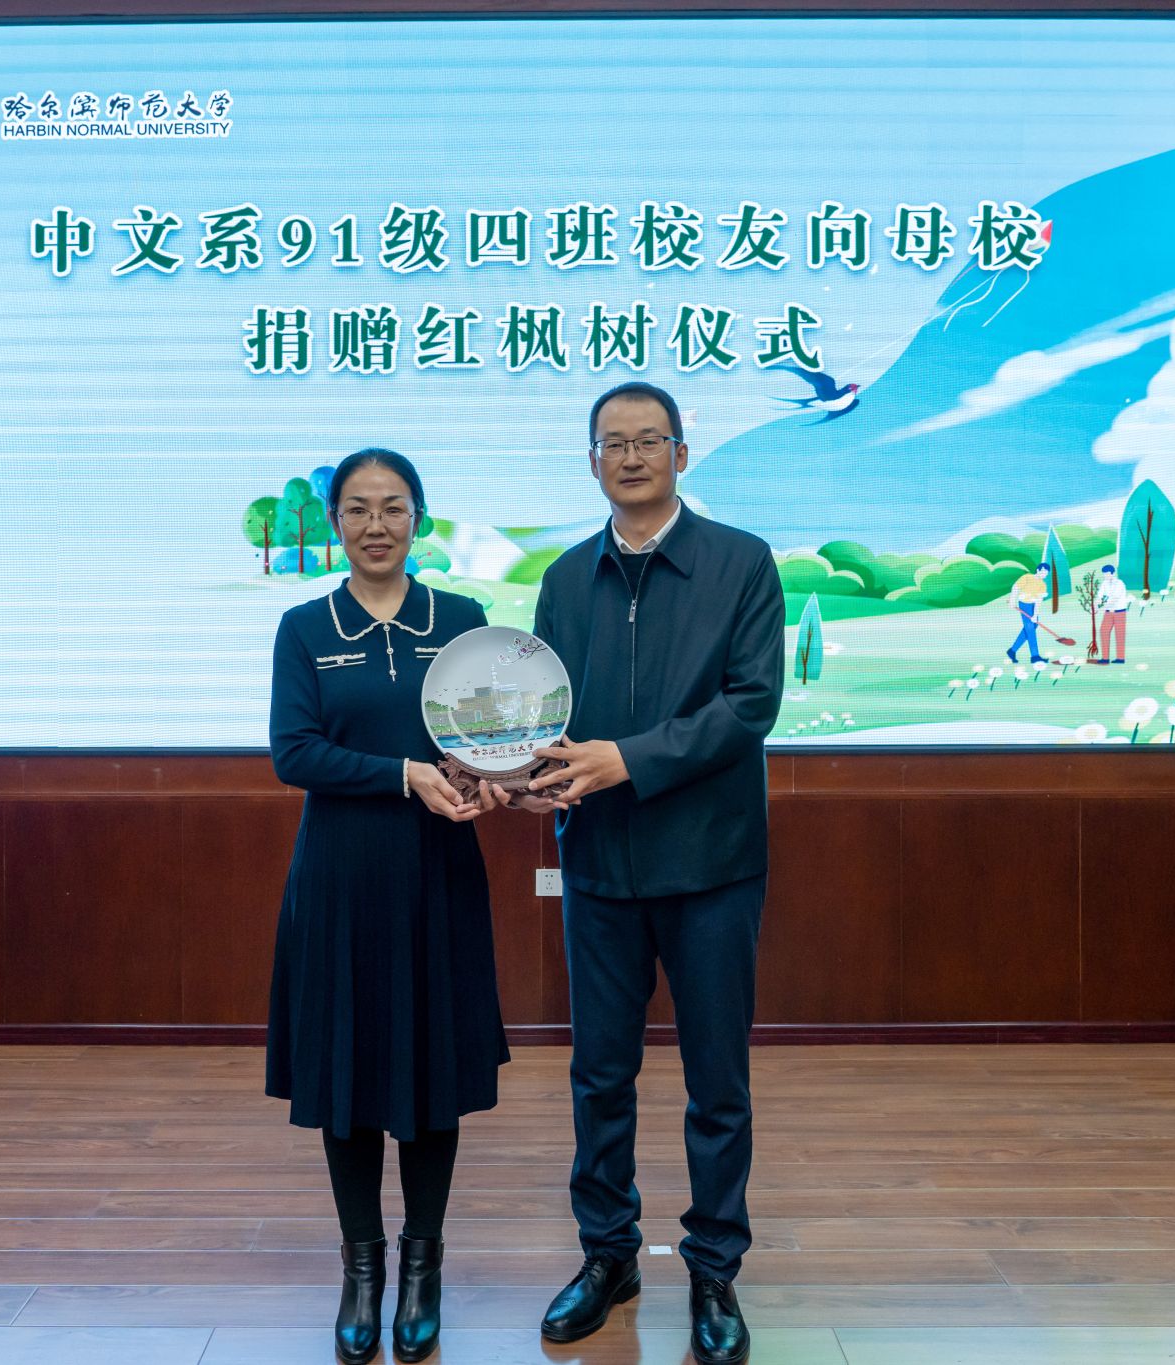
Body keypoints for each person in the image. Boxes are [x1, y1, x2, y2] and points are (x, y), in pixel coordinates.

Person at [496, 381, 783, 1365]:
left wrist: (626, 759)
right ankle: (608, 1255)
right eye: (611, 443)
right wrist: (530, 779)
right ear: (591, 462)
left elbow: (750, 705)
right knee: (598, 1075)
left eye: (648, 440)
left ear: (681, 453)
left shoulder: (741, 562)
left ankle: (713, 1270)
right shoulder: (564, 579)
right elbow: (547, 720)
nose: (630, 457)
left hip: (711, 866)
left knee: (717, 1081)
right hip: (600, 867)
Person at [265, 448, 508, 1365]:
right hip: (339, 879)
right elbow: (294, 751)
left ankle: (422, 1269)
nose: (377, 524)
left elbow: (491, 735)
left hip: (438, 872)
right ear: (336, 523)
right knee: (349, 1076)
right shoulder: (304, 626)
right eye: (359, 508)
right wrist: (404, 773)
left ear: (420, 518)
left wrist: (494, 777)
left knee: (432, 1072)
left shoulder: (464, 621)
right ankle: (361, 1269)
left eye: (394, 507)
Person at [1007, 563, 1050, 664]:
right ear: (1038, 570)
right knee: (1030, 629)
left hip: (1033, 605)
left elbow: (1039, 601)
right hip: (1024, 605)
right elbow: (1015, 587)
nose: (1044, 575)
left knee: (1033, 626)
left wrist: (1035, 615)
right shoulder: (1027, 577)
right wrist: (1012, 601)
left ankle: (1012, 650)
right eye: (1043, 572)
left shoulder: (1043, 585)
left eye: (1046, 574)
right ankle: (1035, 656)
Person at [1095, 563, 1131, 664]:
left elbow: (1114, 599)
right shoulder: (1104, 584)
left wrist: (1102, 605)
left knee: (1119, 634)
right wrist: (1096, 606)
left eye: (1107, 574)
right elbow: (1099, 596)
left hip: (1120, 612)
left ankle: (1120, 658)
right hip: (1108, 612)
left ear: (1113, 573)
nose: (1105, 576)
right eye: (1104, 574)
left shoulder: (1120, 584)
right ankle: (1105, 658)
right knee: (1103, 631)